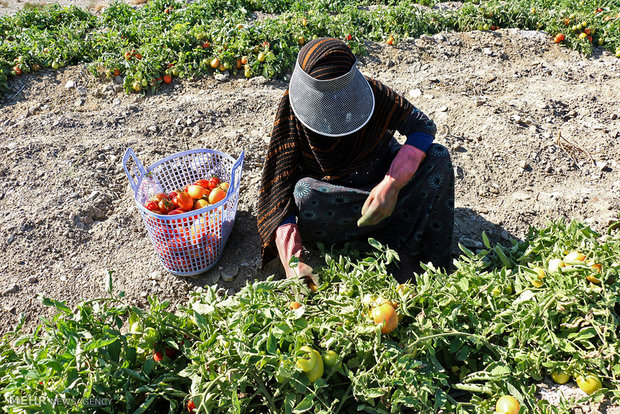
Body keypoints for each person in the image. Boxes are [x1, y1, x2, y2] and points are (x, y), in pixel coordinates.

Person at [256, 37, 454, 283]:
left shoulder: (374, 93)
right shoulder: (293, 109)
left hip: (388, 196)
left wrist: (391, 184)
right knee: (303, 192)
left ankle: (416, 254)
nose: (336, 107)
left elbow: (422, 128)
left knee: (438, 157)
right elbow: (278, 189)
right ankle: (361, 246)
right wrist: (293, 262)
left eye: (342, 98)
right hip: (338, 205)